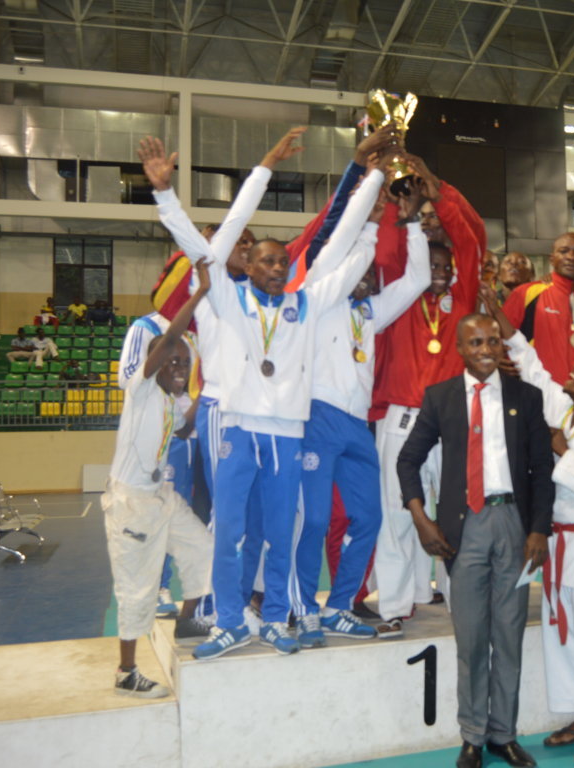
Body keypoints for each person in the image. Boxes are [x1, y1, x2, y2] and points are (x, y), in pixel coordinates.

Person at [140, 128, 384, 658]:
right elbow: (206, 241)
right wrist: (166, 194)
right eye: (264, 261)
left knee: (279, 533)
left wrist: (375, 180)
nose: (276, 267)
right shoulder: (225, 300)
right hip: (238, 427)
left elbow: (346, 247)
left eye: (281, 262)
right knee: (230, 531)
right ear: (246, 267)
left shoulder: (306, 304)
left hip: (287, 434)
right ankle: (229, 621)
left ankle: (275, 618)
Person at [397, 313, 554, 768]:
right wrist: (421, 519)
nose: (486, 349)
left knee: (509, 634)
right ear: (461, 349)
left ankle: (504, 734)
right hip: (462, 531)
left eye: (493, 341)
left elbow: (542, 469)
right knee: (470, 638)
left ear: (502, 345)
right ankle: (472, 736)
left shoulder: (527, 397)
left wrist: (539, 528)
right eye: (476, 342)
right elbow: (407, 461)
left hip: (513, 525)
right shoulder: (441, 397)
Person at [484, 284, 574, 767]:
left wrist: (563, 452)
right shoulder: (565, 409)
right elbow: (530, 363)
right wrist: (497, 312)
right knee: (561, 635)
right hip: (558, 541)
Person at [292, 179, 431, 648]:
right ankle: (304, 609)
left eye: (372, 272)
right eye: (361, 268)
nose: (368, 276)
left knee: (369, 518)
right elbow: (342, 261)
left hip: (357, 425)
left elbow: (417, 281)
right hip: (317, 417)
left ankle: (339, 606)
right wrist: (369, 228)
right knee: (313, 521)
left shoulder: (368, 314)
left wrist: (412, 224)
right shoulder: (317, 297)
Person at [371, 154, 484, 639]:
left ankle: (461, 599)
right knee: (398, 511)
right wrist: (399, 208)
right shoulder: (399, 296)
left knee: (455, 511)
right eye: (431, 264)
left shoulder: (463, 299)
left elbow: (471, 241)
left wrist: (438, 190)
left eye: (445, 265)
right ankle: (395, 604)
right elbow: (389, 253)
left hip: (452, 418)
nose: (438, 271)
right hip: (402, 417)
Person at [102, 260, 213, 698]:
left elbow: (185, 429)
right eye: (173, 361)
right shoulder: (143, 389)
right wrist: (200, 292)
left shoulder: (170, 400)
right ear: (157, 363)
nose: (180, 367)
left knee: (202, 548)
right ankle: (126, 671)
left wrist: (212, 386)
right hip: (131, 504)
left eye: (185, 362)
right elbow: (168, 339)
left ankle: (187, 620)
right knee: (138, 588)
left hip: (160, 497)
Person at [502, 232, 574, 385]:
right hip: (537, 391)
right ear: (552, 259)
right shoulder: (526, 293)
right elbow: (500, 338)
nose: (571, 257)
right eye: (563, 251)